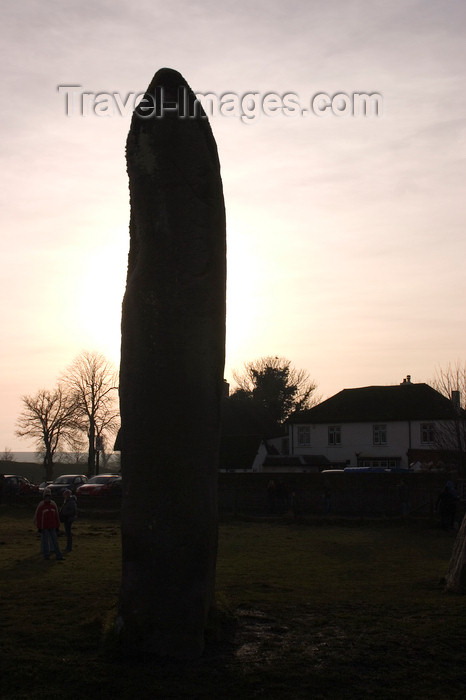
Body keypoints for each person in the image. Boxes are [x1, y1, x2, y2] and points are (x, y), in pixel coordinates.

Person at [34, 488, 64, 560]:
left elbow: (56, 516)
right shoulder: (41, 507)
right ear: (44, 497)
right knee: (45, 541)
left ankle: (58, 555)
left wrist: (57, 525)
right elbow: (38, 517)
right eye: (46, 497)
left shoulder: (53, 506)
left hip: (52, 526)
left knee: (55, 541)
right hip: (45, 527)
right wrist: (39, 527)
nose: (48, 498)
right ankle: (47, 555)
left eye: (49, 497)